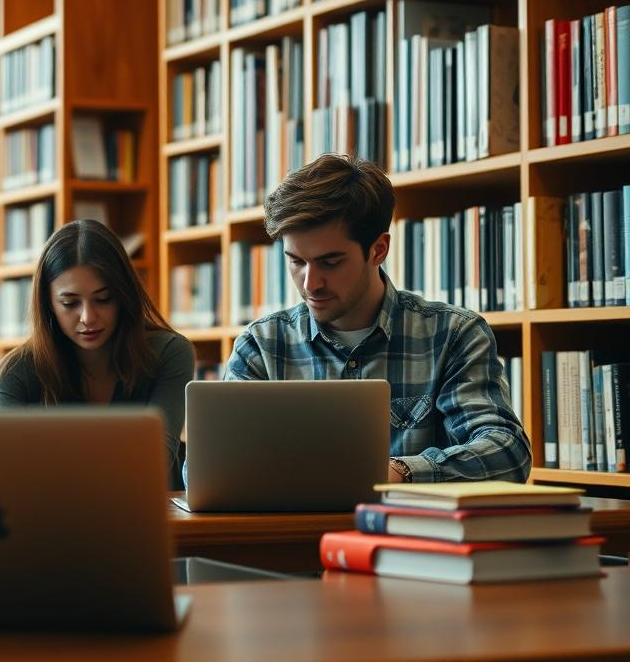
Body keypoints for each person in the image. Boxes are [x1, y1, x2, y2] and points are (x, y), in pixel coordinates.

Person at [224, 153, 531, 483]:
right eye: (296, 261)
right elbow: (210, 467)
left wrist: (400, 471)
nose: (310, 283)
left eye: (330, 262)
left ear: (378, 249)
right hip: (289, 534)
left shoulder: (453, 335)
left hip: (404, 534)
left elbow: (506, 451)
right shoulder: (261, 345)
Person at [0, 219, 193, 472]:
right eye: (70, 303)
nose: (88, 317)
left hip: (143, 509)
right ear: (48, 304)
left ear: (123, 295)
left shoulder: (169, 354)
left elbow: (155, 461)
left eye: (103, 299)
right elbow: (0, 461)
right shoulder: (18, 369)